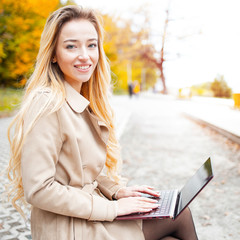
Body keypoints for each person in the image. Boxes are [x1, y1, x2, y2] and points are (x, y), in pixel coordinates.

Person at [7, 5, 198, 240]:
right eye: (71, 46)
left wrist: (117, 192)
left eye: (91, 44)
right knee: (180, 215)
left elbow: (83, 172)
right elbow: (38, 189)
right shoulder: (47, 104)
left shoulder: (80, 100)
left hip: (86, 217)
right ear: (53, 54)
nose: (85, 55)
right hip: (68, 228)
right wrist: (113, 208)